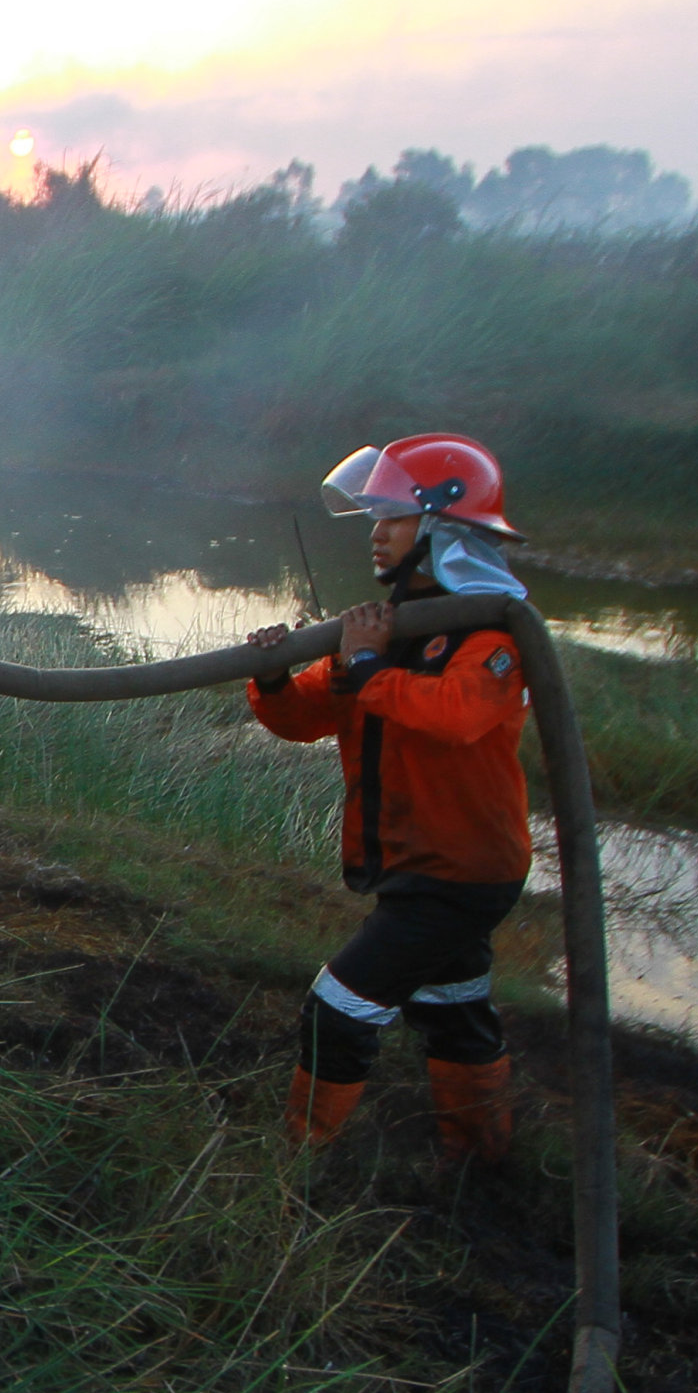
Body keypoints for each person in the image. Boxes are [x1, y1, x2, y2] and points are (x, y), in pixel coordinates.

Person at [243, 435, 537, 1163]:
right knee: (453, 1008)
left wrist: (370, 666)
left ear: (441, 525)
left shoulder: (489, 630)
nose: (377, 532)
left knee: (337, 1012)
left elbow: (459, 715)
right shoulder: (382, 630)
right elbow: (307, 717)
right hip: (419, 866)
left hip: (460, 872)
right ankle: (483, 1161)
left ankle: (301, 1164)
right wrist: (275, 677)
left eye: (394, 516)